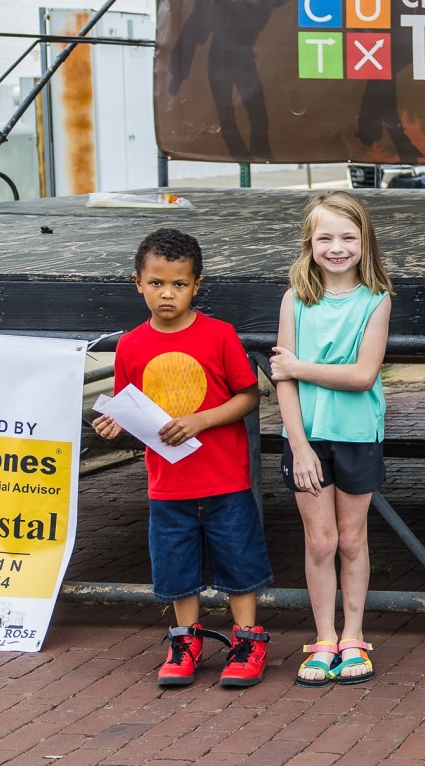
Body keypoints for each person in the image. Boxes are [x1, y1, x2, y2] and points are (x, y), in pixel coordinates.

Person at [91, 229, 270, 688]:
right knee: (176, 566)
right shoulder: (130, 345)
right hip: (167, 482)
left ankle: (248, 641)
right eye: (156, 283)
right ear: (138, 283)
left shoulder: (219, 335)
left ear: (196, 285)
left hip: (225, 478)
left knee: (239, 561)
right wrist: (115, 423)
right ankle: (185, 641)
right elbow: (130, 406)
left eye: (179, 284)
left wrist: (201, 420)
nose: (167, 293)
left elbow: (249, 395)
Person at [270, 194, 395, 687]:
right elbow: (281, 381)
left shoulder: (377, 300)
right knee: (320, 541)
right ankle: (323, 637)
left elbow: (363, 375)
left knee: (351, 538)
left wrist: (300, 367)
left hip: (357, 434)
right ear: (310, 242)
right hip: (307, 438)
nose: (336, 247)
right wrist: (299, 446)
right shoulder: (295, 299)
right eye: (325, 238)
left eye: (347, 237)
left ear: (365, 242)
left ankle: (353, 635)